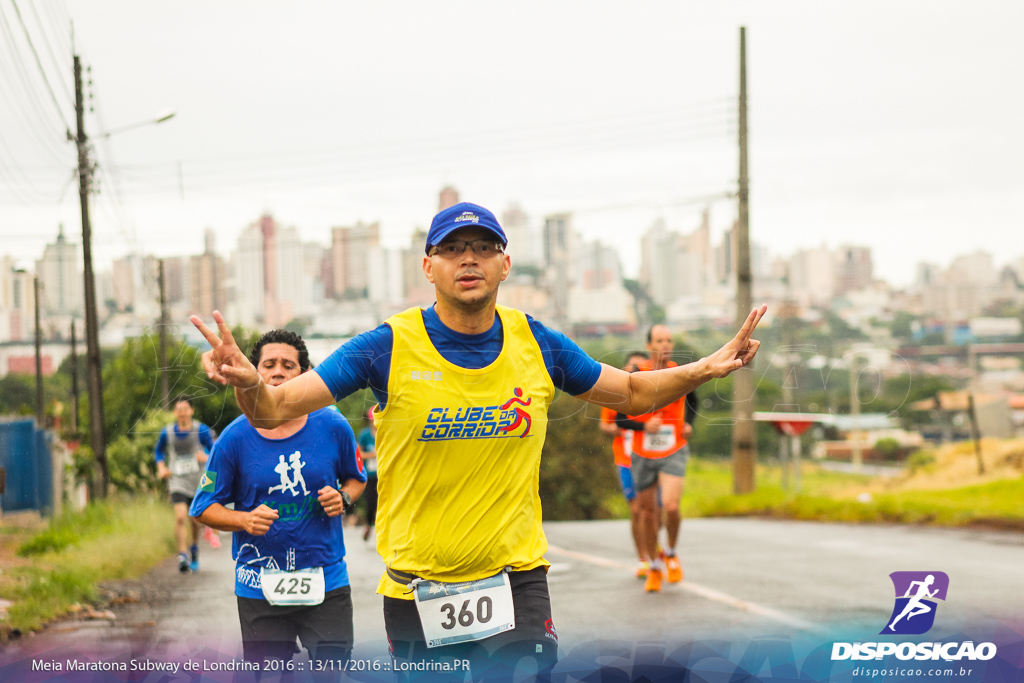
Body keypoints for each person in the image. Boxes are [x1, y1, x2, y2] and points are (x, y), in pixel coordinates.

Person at [192, 202, 765, 679]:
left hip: (515, 580)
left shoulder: (535, 343)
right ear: (429, 266)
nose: (469, 258)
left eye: (484, 247)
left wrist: (706, 368)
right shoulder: (386, 346)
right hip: (418, 586)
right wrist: (249, 386)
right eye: (452, 248)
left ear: (506, 264)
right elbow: (276, 408)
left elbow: (632, 393)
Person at [188, 329, 367, 670]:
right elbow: (202, 507)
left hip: (327, 582)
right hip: (259, 586)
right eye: (268, 364)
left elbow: (356, 479)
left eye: (289, 364)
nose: (278, 371)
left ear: (305, 374)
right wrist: (243, 520)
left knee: (332, 673)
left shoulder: (333, 424)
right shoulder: (234, 437)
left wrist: (342, 498)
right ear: (253, 371)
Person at [616, 324, 699, 593]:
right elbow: (620, 418)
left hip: (673, 448)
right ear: (649, 345)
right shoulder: (637, 375)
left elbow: (693, 401)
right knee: (648, 514)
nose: (665, 345)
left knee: (671, 506)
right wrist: (643, 427)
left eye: (669, 340)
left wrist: (688, 422)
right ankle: (653, 566)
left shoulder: (680, 372)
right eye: (659, 340)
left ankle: (671, 552)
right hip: (642, 452)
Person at [598, 351, 652, 579]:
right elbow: (605, 424)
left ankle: (652, 545)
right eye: (631, 367)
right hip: (625, 458)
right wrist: (618, 429)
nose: (635, 371)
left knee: (652, 511)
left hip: (650, 457)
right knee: (636, 509)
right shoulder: (616, 395)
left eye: (640, 367)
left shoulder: (653, 395)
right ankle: (642, 558)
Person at [155, 395, 216, 573]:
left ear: (191, 411)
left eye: (185, 409)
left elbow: (216, 451)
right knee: (180, 516)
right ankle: (182, 555)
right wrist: (161, 467)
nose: (182, 413)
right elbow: (159, 451)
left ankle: (195, 548)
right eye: (179, 409)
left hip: (198, 480)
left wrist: (205, 457)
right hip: (177, 480)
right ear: (175, 412)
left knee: (195, 520)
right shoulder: (167, 432)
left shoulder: (201, 430)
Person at [357, 407, 379, 542]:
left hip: (384, 474)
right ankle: (368, 525)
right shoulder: (364, 435)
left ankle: (381, 528)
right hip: (369, 475)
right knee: (371, 502)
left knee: (383, 503)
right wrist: (373, 454)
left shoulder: (386, 431)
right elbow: (358, 454)